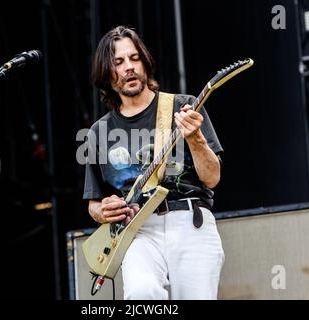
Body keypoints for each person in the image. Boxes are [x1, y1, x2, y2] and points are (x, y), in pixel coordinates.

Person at [83, 26, 225, 300]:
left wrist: (195, 138)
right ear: (106, 73)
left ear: (145, 62)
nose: (129, 68)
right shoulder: (98, 133)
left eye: (134, 58)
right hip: (138, 230)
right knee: (140, 293)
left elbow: (212, 178)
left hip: (189, 220)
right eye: (118, 62)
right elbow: (94, 204)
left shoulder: (184, 106)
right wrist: (105, 211)